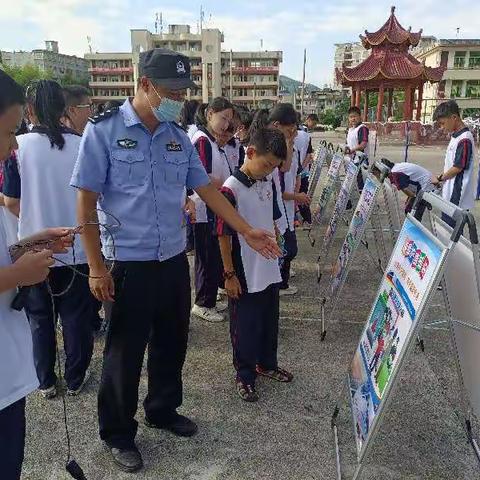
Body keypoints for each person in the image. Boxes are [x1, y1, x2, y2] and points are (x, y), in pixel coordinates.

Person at [70, 48, 281, 473]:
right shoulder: (103, 132)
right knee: (124, 352)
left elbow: (206, 191)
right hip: (126, 262)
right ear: (144, 85)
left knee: (172, 341)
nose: (177, 100)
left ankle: (162, 409)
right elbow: (86, 205)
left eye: (183, 92)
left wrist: (246, 230)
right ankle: (117, 432)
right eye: (170, 91)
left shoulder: (177, 136)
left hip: (170, 260)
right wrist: (95, 267)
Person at [0, 69, 74, 480]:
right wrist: (17, 275)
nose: (14, 145)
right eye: (10, 132)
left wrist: (32, 244)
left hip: (8, 373)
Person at [3, 80, 96, 399]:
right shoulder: (83, 144)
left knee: (40, 318)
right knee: (75, 317)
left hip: (31, 250)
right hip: (77, 247)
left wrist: (32, 220)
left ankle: (45, 380)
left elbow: (11, 201)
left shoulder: (18, 146)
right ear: (64, 109)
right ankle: (75, 376)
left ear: (28, 110)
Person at [217, 127, 293, 402]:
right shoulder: (230, 189)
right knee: (245, 325)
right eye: (266, 164)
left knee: (268, 321)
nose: (270, 171)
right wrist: (229, 274)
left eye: (274, 167)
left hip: (269, 264)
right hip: (244, 269)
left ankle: (266, 364)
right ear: (250, 153)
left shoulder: (267, 181)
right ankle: (245, 374)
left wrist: (280, 249)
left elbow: (272, 219)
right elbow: (223, 235)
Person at [251, 105, 310, 296]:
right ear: (276, 125)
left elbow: (285, 168)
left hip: (275, 201)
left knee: (285, 245)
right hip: (267, 201)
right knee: (282, 246)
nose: (293, 133)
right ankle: (275, 282)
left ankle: (277, 281)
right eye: (289, 129)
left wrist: (290, 141)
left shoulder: (279, 142)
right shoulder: (265, 143)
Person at [189, 98, 235, 322]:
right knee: (206, 259)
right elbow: (201, 177)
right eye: (223, 118)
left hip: (211, 208)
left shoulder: (211, 140)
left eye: (229, 120)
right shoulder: (202, 140)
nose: (226, 124)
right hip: (203, 209)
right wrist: (221, 182)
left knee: (212, 257)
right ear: (209, 114)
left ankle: (209, 298)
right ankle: (202, 303)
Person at [432, 100, 476, 227]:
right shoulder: (456, 137)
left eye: (443, 123)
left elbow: (458, 167)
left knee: (451, 234)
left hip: (457, 195)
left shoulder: (465, 139)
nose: (442, 127)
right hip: (450, 192)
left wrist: (440, 178)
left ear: (454, 117)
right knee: (446, 231)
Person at [294, 112, 313, 227]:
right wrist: (301, 168)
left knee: (297, 196)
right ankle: (307, 220)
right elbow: (309, 154)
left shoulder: (283, 135)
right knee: (302, 195)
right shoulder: (306, 135)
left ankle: (298, 219)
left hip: (295, 174)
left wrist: (298, 170)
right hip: (303, 172)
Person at [345, 106, 369, 191]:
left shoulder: (362, 128)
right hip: (351, 161)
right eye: (351, 117)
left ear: (360, 116)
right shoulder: (350, 130)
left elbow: (363, 144)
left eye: (355, 116)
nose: (353, 119)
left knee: (361, 185)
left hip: (361, 161)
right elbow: (348, 144)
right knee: (352, 185)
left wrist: (351, 150)